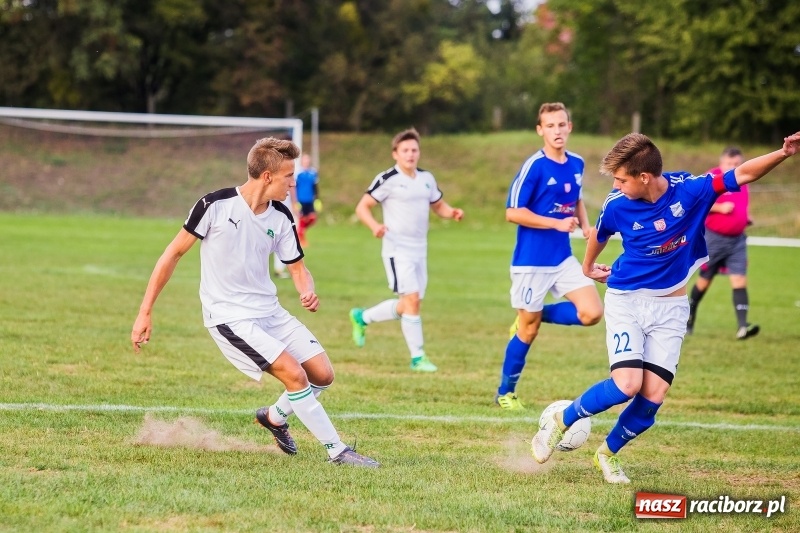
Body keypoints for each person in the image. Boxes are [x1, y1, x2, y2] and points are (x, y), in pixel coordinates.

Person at [531, 131, 800, 484]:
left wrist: (783, 153)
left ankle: (606, 454)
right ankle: (560, 421)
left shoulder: (690, 191)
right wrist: (587, 267)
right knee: (626, 384)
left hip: (671, 309)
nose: (616, 184)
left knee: (653, 396)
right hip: (627, 300)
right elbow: (600, 232)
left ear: (644, 177)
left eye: (621, 178)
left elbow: (744, 174)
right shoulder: (617, 204)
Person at [131, 137, 379, 468]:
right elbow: (172, 254)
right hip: (229, 317)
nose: (293, 182)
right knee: (295, 375)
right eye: (288, 176)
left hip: (269, 312)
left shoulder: (282, 216)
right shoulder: (214, 205)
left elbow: (298, 269)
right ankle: (338, 451)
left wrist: (306, 289)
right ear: (266, 177)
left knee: (322, 375)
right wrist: (145, 311)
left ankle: (275, 417)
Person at [496, 102, 603, 410]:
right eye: (551, 126)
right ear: (540, 130)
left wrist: (585, 225)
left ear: (569, 127)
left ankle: (530, 314)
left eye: (562, 124)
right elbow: (512, 212)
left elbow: (576, 199)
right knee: (529, 331)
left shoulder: (577, 163)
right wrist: (556, 222)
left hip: (562, 258)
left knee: (592, 313)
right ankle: (505, 392)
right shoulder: (534, 166)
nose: (557, 131)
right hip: (530, 262)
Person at [349, 128, 464, 372]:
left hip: (420, 250)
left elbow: (439, 205)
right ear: (395, 154)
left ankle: (363, 317)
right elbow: (363, 207)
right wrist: (374, 226)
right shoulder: (387, 178)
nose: (410, 154)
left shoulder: (426, 179)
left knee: (410, 304)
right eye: (405, 150)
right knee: (411, 301)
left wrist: (452, 212)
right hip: (396, 249)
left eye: (414, 150)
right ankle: (418, 357)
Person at [687, 146, 759, 340]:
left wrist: (745, 218)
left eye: (737, 164)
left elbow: (741, 206)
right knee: (704, 281)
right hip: (714, 239)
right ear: (721, 163)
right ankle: (689, 319)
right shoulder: (712, 178)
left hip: (737, 240)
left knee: (740, 280)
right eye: (730, 164)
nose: (734, 167)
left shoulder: (743, 179)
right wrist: (719, 207)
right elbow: (695, 203)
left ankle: (742, 327)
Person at [295, 153, 320, 247]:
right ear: (302, 161)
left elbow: (315, 187)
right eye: (304, 160)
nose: (306, 162)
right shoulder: (297, 173)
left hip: (310, 200)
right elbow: (295, 187)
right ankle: (302, 240)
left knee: (312, 218)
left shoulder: (313, 172)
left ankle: (299, 233)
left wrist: (317, 199)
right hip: (300, 200)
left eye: (307, 160)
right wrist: (295, 201)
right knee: (301, 219)